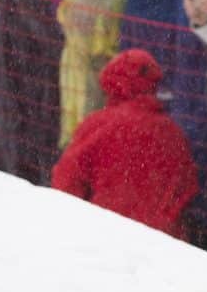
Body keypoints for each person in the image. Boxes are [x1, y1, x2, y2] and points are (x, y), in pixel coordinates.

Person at [49, 50, 199, 237]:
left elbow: (67, 181)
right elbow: (187, 187)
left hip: (106, 232)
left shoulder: (98, 125)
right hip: (162, 239)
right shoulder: (172, 133)